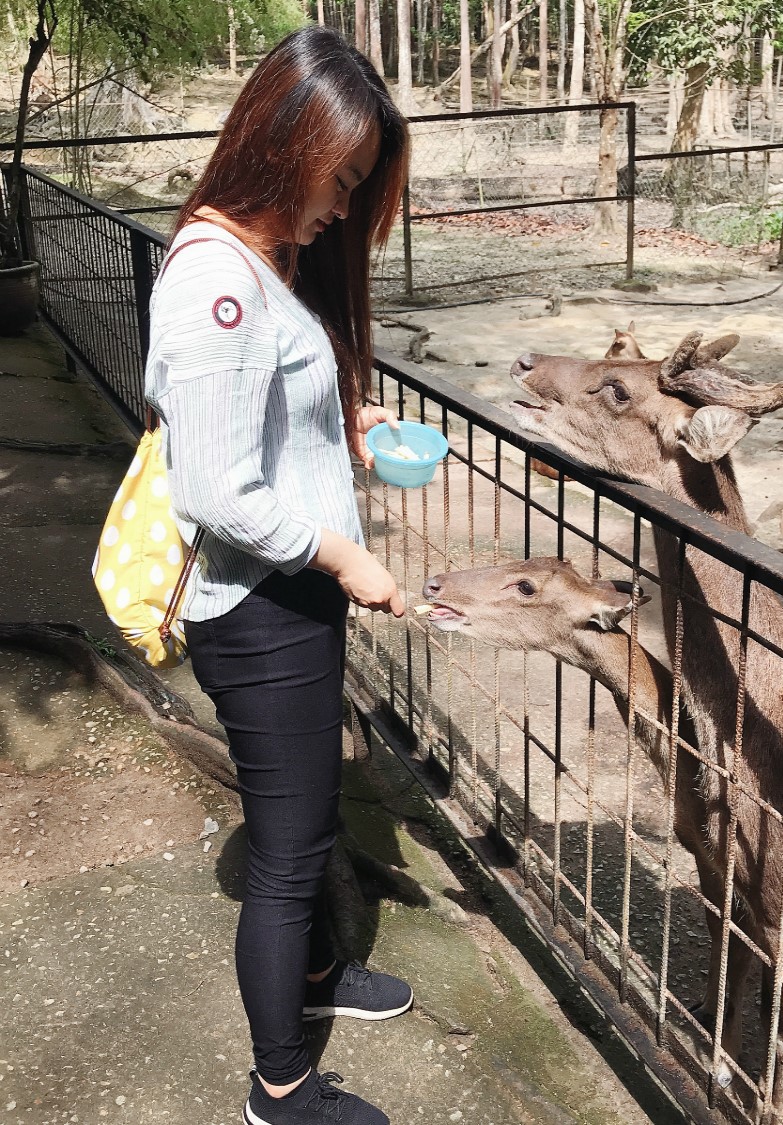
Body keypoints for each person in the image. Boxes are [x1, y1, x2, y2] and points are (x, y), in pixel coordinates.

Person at [144, 26, 412, 1125]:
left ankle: (318, 975)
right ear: (282, 143)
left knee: (303, 824)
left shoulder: (258, 263)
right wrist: (348, 555)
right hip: (260, 614)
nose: (343, 208)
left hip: (288, 599)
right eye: (340, 181)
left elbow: (261, 412)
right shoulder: (216, 280)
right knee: (289, 855)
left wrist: (344, 421)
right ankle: (281, 1088)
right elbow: (216, 489)